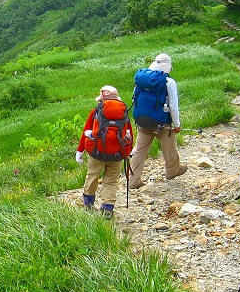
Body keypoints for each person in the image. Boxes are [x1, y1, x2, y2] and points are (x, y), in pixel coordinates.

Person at [127, 53, 187, 189]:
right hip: (162, 121)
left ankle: (133, 180)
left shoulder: (141, 79)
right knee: (169, 146)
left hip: (142, 120)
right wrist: (177, 124)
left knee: (140, 150)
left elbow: (133, 99)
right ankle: (172, 171)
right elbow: (173, 105)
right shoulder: (168, 82)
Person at [76, 85, 133, 217]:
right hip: (117, 154)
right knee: (111, 180)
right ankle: (108, 207)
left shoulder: (96, 112)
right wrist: (127, 152)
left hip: (97, 152)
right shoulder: (123, 113)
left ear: (101, 100)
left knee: (92, 175)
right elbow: (129, 134)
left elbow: (85, 132)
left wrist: (80, 151)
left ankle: (88, 203)